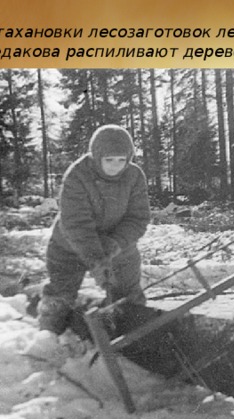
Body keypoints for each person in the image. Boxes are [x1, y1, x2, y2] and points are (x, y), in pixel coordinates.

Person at [24, 124, 151, 363]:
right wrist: (96, 260)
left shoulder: (134, 176)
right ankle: (47, 337)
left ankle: (130, 339)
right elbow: (77, 224)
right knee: (62, 292)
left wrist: (115, 244)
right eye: (109, 159)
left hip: (118, 246)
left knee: (127, 294)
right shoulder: (77, 175)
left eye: (121, 159)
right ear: (96, 156)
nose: (115, 165)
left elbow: (138, 218)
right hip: (70, 245)